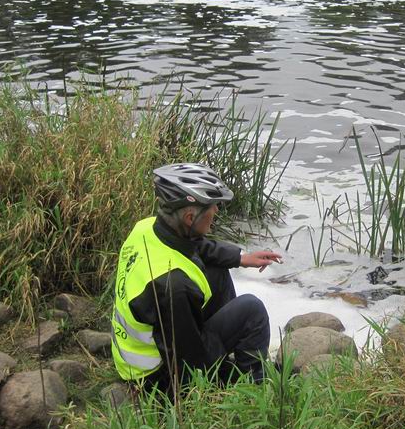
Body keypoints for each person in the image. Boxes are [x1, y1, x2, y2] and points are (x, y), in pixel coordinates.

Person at [111, 163, 281, 393]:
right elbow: (190, 361)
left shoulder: (145, 229)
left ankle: (233, 357)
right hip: (157, 378)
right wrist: (216, 369)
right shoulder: (174, 286)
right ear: (190, 217)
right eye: (212, 207)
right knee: (252, 310)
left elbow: (196, 246)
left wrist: (241, 258)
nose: (216, 212)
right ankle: (254, 387)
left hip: (146, 344)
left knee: (216, 271)